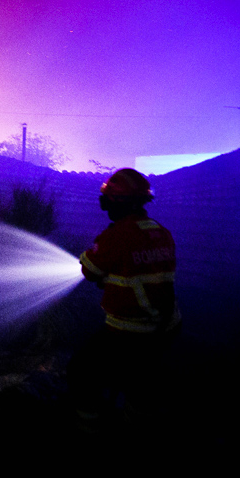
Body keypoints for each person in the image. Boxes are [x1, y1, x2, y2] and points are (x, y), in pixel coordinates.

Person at [69, 168, 180, 430]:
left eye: (107, 197)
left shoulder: (117, 235)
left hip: (129, 331)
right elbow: (144, 274)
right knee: (142, 389)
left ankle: (91, 428)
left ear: (117, 202)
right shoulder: (161, 232)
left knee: (81, 370)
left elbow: (89, 270)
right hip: (166, 327)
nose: (103, 202)